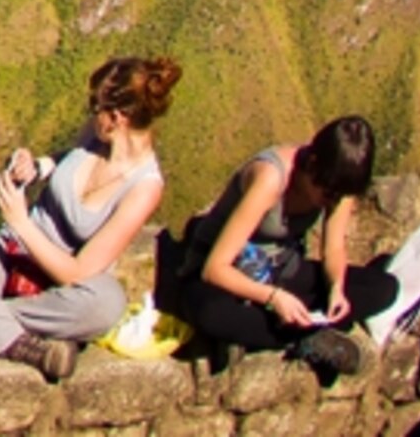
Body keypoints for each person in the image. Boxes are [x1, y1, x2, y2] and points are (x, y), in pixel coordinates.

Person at [0, 54, 180, 381]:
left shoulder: (145, 187)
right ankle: (17, 340)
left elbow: (76, 273)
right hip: (11, 255)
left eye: (96, 109)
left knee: (106, 304)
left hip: (58, 288)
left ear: (117, 118)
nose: (91, 116)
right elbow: (67, 159)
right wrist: (35, 167)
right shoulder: (95, 136)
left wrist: (20, 221)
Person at [160, 116, 399, 376]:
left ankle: (275, 330)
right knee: (209, 312)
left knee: (384, 288)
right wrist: (274, 298)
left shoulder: (337, 187)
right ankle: (303, 337)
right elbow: (214, 269)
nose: (329, 202)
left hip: (278, 270)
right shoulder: (270, 178)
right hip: (226, 277)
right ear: (313, 165)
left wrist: (336, 289)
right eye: (326, 194)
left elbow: (333, 249)